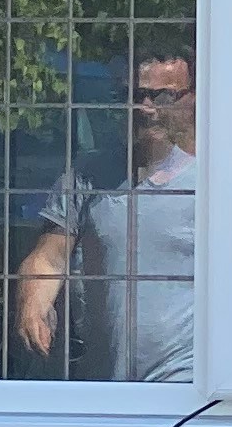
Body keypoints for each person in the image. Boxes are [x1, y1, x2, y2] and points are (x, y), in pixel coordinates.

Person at [14, 42, 197, 381]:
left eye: (163, 97)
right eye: (135, 94)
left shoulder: (213, 186)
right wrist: (33, 306)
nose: (146, 107)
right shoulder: (89, 175)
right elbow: (49, 258)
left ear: (192, 99)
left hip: (183, 383)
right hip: (105, 384)